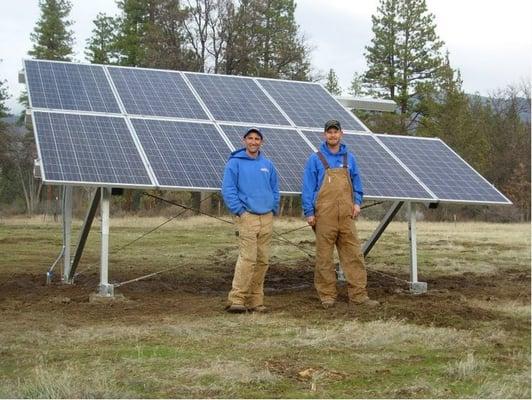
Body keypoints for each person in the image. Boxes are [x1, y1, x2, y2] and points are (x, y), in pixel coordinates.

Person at [302, 119, 379, 310]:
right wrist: (309, 212)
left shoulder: (349, 158)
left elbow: (357, 184)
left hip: (346, 216)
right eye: (329, 132)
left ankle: (358, 295)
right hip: (324, 216)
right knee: (324, 258)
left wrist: (357, 203)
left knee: (354, 255)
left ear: (341, 134)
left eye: (336, 132)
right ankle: (327, 295)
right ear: (324, 135)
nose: (332, 135)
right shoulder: (315, 159)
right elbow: (308, 188)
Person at [222, 128, 280, 313]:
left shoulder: (267, 164)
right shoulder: (234, 163)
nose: (254, 142)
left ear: (261, 142)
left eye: (257, 139)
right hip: (247, 216)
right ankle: (237, 300)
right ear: (244, 140)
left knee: (263, 260)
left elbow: (274, 188)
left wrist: (273, 206)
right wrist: (240, 211)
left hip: (267, 217)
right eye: (250, 138)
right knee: (248, 258)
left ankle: (256, 301)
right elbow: (228, 189)